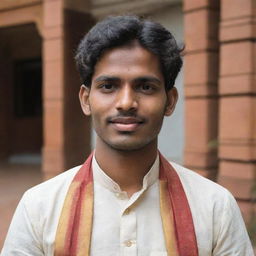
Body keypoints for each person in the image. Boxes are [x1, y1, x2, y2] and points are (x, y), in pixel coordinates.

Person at [1, 15, 254, 256]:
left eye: (145, 87)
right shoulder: (39, 207)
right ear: (86, 100)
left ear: (170, 101)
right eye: (108, 86)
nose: (126, 103)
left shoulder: (214, 206)